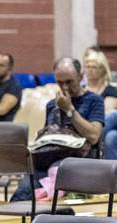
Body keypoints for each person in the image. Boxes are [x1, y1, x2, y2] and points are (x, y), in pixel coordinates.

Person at [11, 57, 104, 201]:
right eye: (60, 83)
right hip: (50, 156)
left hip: (79, 159)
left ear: (80, 76)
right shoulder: (51, 105)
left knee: (54, 173)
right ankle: (22, 220)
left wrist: (70, 110)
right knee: (24, 190)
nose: (65, 87)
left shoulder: (94, 101)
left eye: (69, 82)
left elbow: (93, 136)